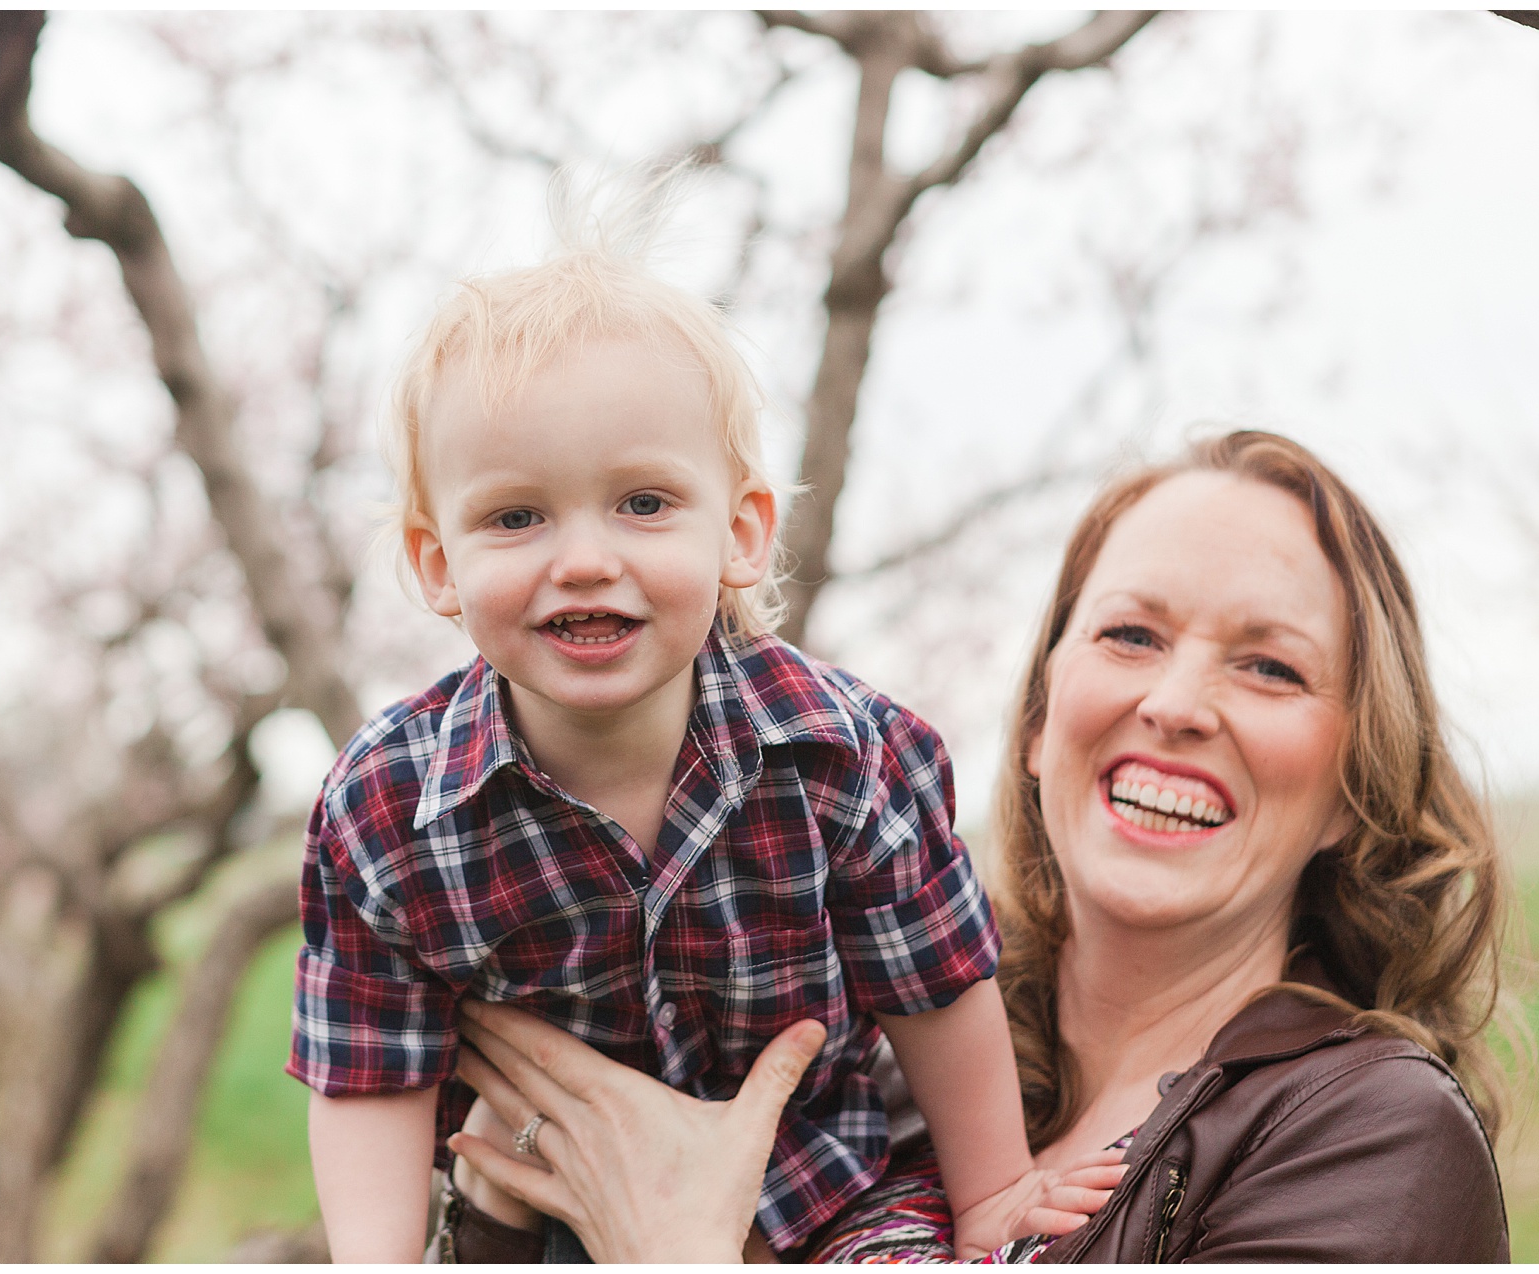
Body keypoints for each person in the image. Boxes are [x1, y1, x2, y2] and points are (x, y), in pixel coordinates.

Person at [448, 430, 1519, 1262]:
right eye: (1130, 635)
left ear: (1353, 785)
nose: (1177, 701)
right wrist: (505, 1200)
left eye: (1270, 667)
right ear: (1042, 723)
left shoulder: (1366, 1137)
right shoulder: (873, 1067)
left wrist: (679, 1253)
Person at [286, 188, 1107, 1264]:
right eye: (516, 516)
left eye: (642, 503)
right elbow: (367, 1071)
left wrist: (995, 1186)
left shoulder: (840, 754)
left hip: (825, 1192)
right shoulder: (388, 809)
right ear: (439, 562)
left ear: (742, 531)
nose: (582, 557)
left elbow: (938, 984)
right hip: (543, 1222)